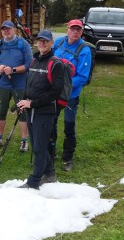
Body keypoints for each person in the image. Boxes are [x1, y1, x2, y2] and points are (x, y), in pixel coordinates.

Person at [17, 30, 65, 189]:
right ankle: (50, 174)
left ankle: (34, 181)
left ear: (52, 43)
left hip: (45, 112)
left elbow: (55, 92)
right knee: (39, 144)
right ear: (36, 43)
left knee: (38, 147)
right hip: (32, 110)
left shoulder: (56, 64)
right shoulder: (34, 61)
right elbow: (28, 83)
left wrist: (33, 104)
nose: (42, 43)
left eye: (45, 41)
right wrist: (24, 101)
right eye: (40, 41)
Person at [51, 19, 92, 171]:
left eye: (78, 30)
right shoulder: (59, 43)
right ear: (67, 29)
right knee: (51, 122)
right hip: (54, 94)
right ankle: (51, 151)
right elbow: (50, 59)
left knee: (69, 125)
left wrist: (62, 83)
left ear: (81, 32)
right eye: (73, 29)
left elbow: (82, 77)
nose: (75, 32)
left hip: (70, 96)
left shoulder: (84, 50)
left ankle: (68, 158)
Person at [0, 20, 33, 152]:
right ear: (1, 31)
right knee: (1, 111)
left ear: (14, 30)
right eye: (4, 29)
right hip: (3, 84)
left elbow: (29, 64)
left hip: (20, 84)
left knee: (23, 112)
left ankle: (24, 140)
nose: (6, 31)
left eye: (9, 29)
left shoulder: (23, 44)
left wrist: (13, 70)